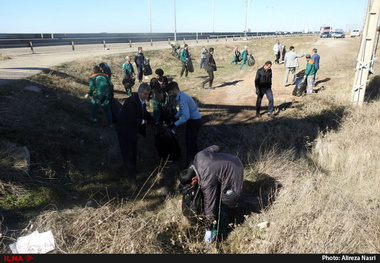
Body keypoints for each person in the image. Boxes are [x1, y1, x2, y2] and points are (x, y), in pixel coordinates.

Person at [178, 145, 244, 245]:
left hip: (235, 170)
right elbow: (216, 148)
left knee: (224, 200)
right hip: (232, 159)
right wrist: (216, 164)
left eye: (190, 185)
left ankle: (223, 232)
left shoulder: (206, 180)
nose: (191, 186)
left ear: (193, 179)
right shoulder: (198, 157)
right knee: (217, 194)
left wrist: (208, 228)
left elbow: (210, 203)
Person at [115, 83, 155, 187]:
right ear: (139, 92)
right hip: (125, 132)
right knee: (128, 155)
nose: (147, 96)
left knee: (133, 152)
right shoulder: (131, 102)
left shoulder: (141, 101)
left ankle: (133, 170)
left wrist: (153, 120)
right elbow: (131, 118)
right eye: (145, 94)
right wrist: (144, 122)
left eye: (148, 94)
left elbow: (144, 113)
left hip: (132, 132)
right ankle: (131, 179)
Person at [166, 82, 202, 167]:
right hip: (194, 121)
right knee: (193, 143)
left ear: (175, 90)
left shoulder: (182, 99)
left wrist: (174, 124)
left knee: (190, 144)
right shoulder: (181, 96)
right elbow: (182, 111)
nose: (170, 95)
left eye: (170, 93)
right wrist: (175, 116)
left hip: (194, 122)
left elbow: (186, 116)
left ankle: (190, 164)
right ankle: (197, 160)